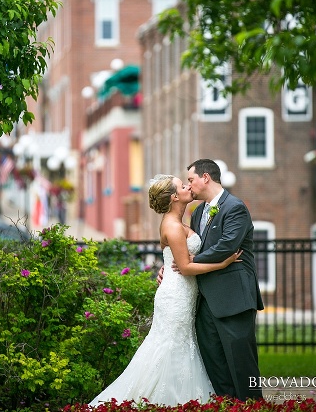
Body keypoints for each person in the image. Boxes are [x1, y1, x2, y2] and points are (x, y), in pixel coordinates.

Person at [90, 174, 242, 407]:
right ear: (174, 197)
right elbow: (186, 267)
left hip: (184, 292)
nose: (187, 186)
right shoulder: (172, 226)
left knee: (181, 346)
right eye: (183, 185)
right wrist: (223, 263)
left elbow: (176, 258)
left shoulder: (180, 222)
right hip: (176, 296)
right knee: (170, 347)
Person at [180, 158, 265, 401]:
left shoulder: (235, 207)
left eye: (191, 179)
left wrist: (189, 261)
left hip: (234, 299)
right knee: (215, 364)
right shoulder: (197, 213)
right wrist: (170, 267)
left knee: (242, 364)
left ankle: (253, 406)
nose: (189, 186)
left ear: (205, 177)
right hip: (204, 301)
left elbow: (227, 245)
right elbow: (187, 247)